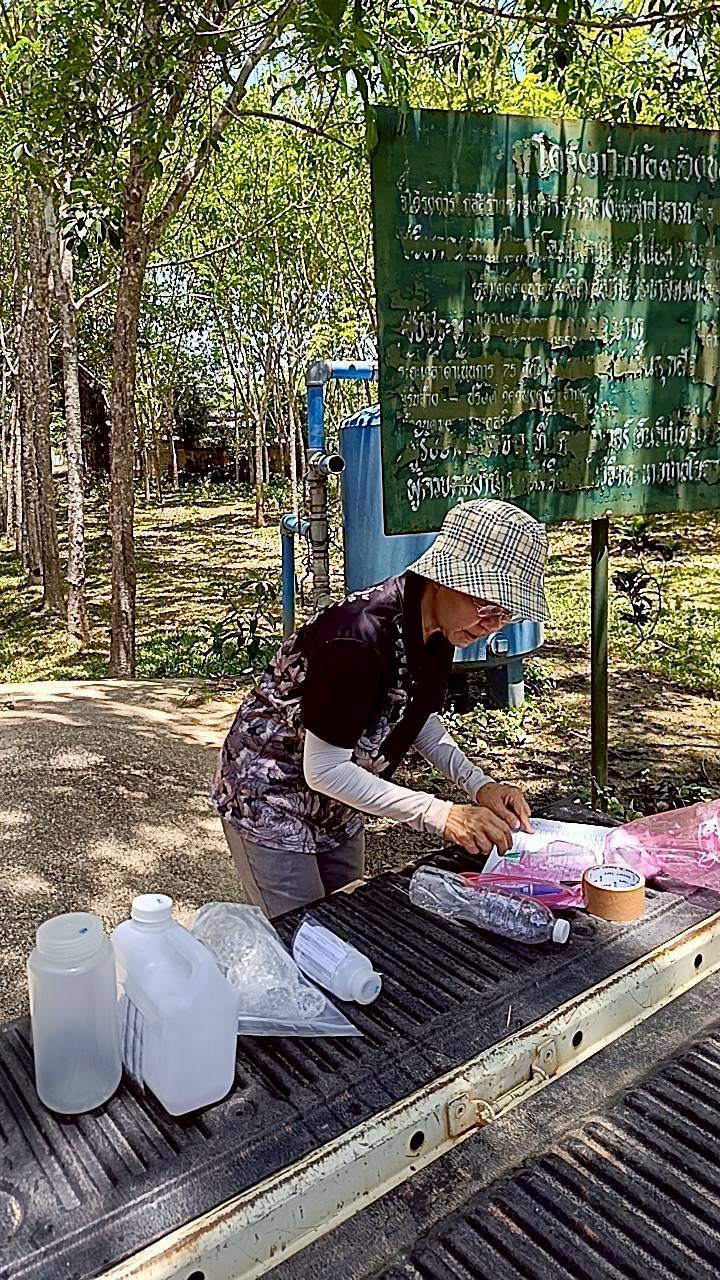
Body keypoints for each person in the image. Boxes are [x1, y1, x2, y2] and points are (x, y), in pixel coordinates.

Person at [212, 498, 550, 918]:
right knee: (302, 937)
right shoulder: (358, 638)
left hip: (341, 799)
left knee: (349, 920)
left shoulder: (441, 628)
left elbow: (417, 716)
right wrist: (441, 814)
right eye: (486, 606)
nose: (491, 625)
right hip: (272, 793)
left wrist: (478, 785)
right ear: (444, 577)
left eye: (506, 614)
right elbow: (324, 769)